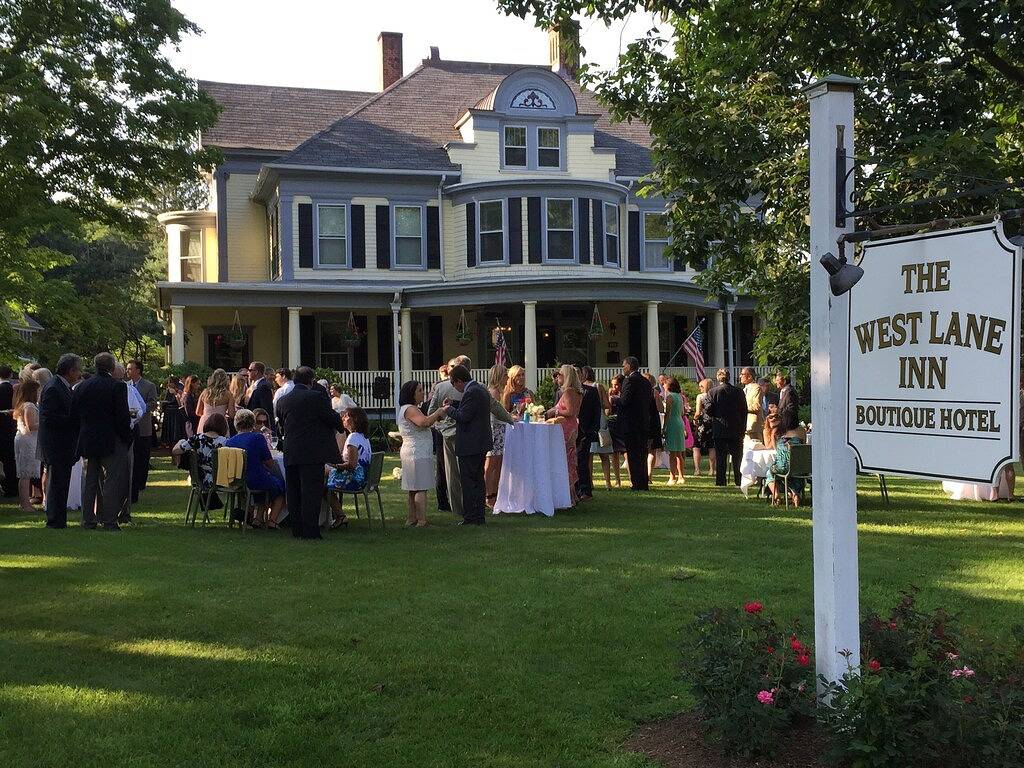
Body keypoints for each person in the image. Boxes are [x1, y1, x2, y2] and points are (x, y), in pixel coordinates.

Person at [275, 366, 344, 539]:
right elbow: (332, 418)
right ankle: (311, 530)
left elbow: (281, 425)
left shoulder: (283, 400)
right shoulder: (316, 397)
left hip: (291, 451)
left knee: (293, 491)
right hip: (312, 452)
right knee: (311, 491)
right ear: (311, 381)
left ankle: (296, 529)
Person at [74, 352, 132, 530]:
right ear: (112, 367)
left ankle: (88, 519)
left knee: (90, 481)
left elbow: (75, 413)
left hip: (88, 439)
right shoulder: (117, 387)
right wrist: (127, 437)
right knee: (112, 481)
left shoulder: (82, 386)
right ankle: (109, 520)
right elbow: (122, 416)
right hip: (111, 439)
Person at [443, 364, 492, 525]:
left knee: (469, 482)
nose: (453, 387)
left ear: (458, 381)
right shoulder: (479, 389)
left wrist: (448, 409)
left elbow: (464, 416)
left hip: (470, 444)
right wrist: (455, 403)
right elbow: (470, 409)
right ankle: (479, 515)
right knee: (478, 480)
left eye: (452, 383)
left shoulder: (471, 392)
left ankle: (471, 516)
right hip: (480, 443)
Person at [39, 354, 82, 528]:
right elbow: (49, 418)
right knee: (57, 482)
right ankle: (55, 519)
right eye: (77, 370)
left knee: (61, 481)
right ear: (70, 371)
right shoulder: (54, 388)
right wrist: (73, 420)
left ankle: (59, 518)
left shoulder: (60, 386)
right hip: (57, 444)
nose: (79, 373)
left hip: (62, 443)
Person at [225, 409, 286, 528]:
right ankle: (272, 520)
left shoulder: (230, 441)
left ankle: (257, 519)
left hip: (237, 479)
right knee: (281, 486)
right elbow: (269, 463)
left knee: (266, 483)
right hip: (255, 478)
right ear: (252, 423)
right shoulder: (258, 438)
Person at [397, 380, 446, 527]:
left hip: (414, 451)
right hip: (417, 452)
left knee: (413, 487)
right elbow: (424, 422)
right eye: (419, 390)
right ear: (411, 394)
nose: (422, 392)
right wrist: (438, 412)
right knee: (420, 486)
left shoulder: (409, 408)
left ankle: (412, 518)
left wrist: (439, 411)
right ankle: (422, 520)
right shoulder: (410, 409)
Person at [428, 355, 471, 518]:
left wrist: (439, 425)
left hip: (447, 434)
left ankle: (457, 507)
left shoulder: (441, 387)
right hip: (465, 433)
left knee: (451, 472)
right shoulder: (475, 387)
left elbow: (431, 413)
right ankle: (469, 505)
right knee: (466, 471)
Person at [546, 364, 582, 506]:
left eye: (559, 374)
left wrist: (554, 411)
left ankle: (569, 496)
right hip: (571, 426)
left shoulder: (568, 392)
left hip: (566, 428)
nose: (557, 377)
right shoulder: (576, 391)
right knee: (569, 460)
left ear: (565, 376)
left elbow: (571, 411)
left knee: (565, 460)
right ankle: (572, 495)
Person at [617, 357, 655, 491]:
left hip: (631, 424)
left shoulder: (629, 381)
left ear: (629, 366)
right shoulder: (646, 382)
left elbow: (624, 401)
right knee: (642, 454)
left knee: (633, 455)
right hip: (643, 422)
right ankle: (643, 482)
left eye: (624, 366)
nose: (623, 368)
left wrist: (617, 399)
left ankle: (636, 484)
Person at [707, 368, 747, 487]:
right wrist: (743, 427)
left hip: (720, 427)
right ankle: (738, 480)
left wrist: (715, 414)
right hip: (736, 427)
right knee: (737, 457)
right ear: (729, 377)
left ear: (718, 378)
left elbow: (708, 409)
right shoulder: (738, 391)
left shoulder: (713, 392)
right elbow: (744, 411)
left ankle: (721, 481)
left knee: (721, 456)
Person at [126, 360, 158, 504]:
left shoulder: (149, 386)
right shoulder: (126, 386)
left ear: (138, 370)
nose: (128, 372)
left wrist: (141, 407)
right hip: (131, 426)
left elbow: (153, 403)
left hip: (144, 426)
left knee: (143, 456)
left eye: (130, 369)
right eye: (127, 369)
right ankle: (133, 483)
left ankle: (140, 483)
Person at [172, 413, 229, 491]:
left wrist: (180, 442)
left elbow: (175, 451)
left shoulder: (196, 438)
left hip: (198, 478)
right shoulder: (225, 442)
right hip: (220, 480)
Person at [13, 378, 42, 512]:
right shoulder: (29, 406)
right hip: (28, 440)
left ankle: (24, 502)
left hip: (25, 439)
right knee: (25, 473)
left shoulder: (23, 405)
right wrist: (46, 423)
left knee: (24, 473)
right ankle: (25, 504)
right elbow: (31, 426)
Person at [576, 366, 602, 502]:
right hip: (569, 431)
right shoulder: (561, 391)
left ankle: (585, 490)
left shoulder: (590, 391)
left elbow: (596, 411)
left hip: (585, 431)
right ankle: (572, 490)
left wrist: (593, 429)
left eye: (578, 373)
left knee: (582, 461)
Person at [484, 364, 509, 507]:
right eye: (505, 375)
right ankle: (488, 494)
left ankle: (496, 493)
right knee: (490, 465)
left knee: (498, 463)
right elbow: (494, 415)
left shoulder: (500, 392)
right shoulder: (493, 393)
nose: (507, 378)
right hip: (494, 431)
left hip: (500, 431)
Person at [765, 424, 807, 506]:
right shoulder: (801, 430)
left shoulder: (776, 430)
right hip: (798, 467)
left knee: (769, 473)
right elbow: (803, 447)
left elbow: (776, 450)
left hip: (782, 467)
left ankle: (776, 495)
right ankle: (795, 493)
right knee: (794, 474)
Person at [663, 377, 693, 485]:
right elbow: (682, 412)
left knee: (672, 453)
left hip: (672, 424)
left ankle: (672, 477)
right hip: (680, 422)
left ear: (668, 386)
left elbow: (667, 414)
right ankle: (681, 476)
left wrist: (664, 427)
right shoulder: (680, 397)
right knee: (679, 453)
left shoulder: (670, 397)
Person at [590, 376, 616, 489]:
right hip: (600, 418)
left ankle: (590, 482)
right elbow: (607, 405)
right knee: (604, 454)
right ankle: (608, 482)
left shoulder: (580, 387)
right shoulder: (598, 386)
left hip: (588, 419)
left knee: (589, 455)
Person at [197, 369, 235, 435]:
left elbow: (198, 412)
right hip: (221, 423)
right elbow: (231, 415)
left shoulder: (205, 392)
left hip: (205, 422)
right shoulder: (228, 395)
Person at [606, 374, 628, 487]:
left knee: (625, 451)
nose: (614, 387)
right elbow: (607, 411)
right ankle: (617, 480)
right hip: (613, 425)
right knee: (614, 452)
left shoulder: (625, 395)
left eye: (616, 385)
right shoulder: (612, 396)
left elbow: (607, 411)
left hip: (621, 423)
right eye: (612, 385)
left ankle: (631, 478)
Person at [0, 364, 18, 497]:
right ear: (10, 375)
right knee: (9, 459)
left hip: (3, 425)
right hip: (10, 426)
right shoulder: (13, 388)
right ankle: (11, 487)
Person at [643, 372, 665, 480]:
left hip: (642, 421)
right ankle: (649, 475)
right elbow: (660, 409)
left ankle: (644, 475)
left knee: (643, 450)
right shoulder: (654, 392)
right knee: (651, 451)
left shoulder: (638, 392)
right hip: (652, 421)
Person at [692, 378, 716, 476]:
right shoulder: (714, 395)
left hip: (703, 423)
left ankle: (697, 469)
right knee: (712, 446)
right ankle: (712, 470)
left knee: (696, 446)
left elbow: (698, 412)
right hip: (713, 422)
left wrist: (694, 418)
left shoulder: (700, 396)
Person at [740, 367, 764, 443]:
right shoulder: (744, 389)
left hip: (754, 426)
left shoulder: (756, 388)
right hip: (745, 425)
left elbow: (757, 406)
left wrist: (740, 407)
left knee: (756, 450)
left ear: (749, 376)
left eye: (742, 374)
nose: (740, 376)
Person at [159, 377, 184, 447]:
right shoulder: (168, 391)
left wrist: (175, 393)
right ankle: (167, 441)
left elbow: (180, 403)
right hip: (168, 412)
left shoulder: (179, 390)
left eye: (171, 382)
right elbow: (166, 400)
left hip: (175, 412)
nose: (169, 384)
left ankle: (174, 441)